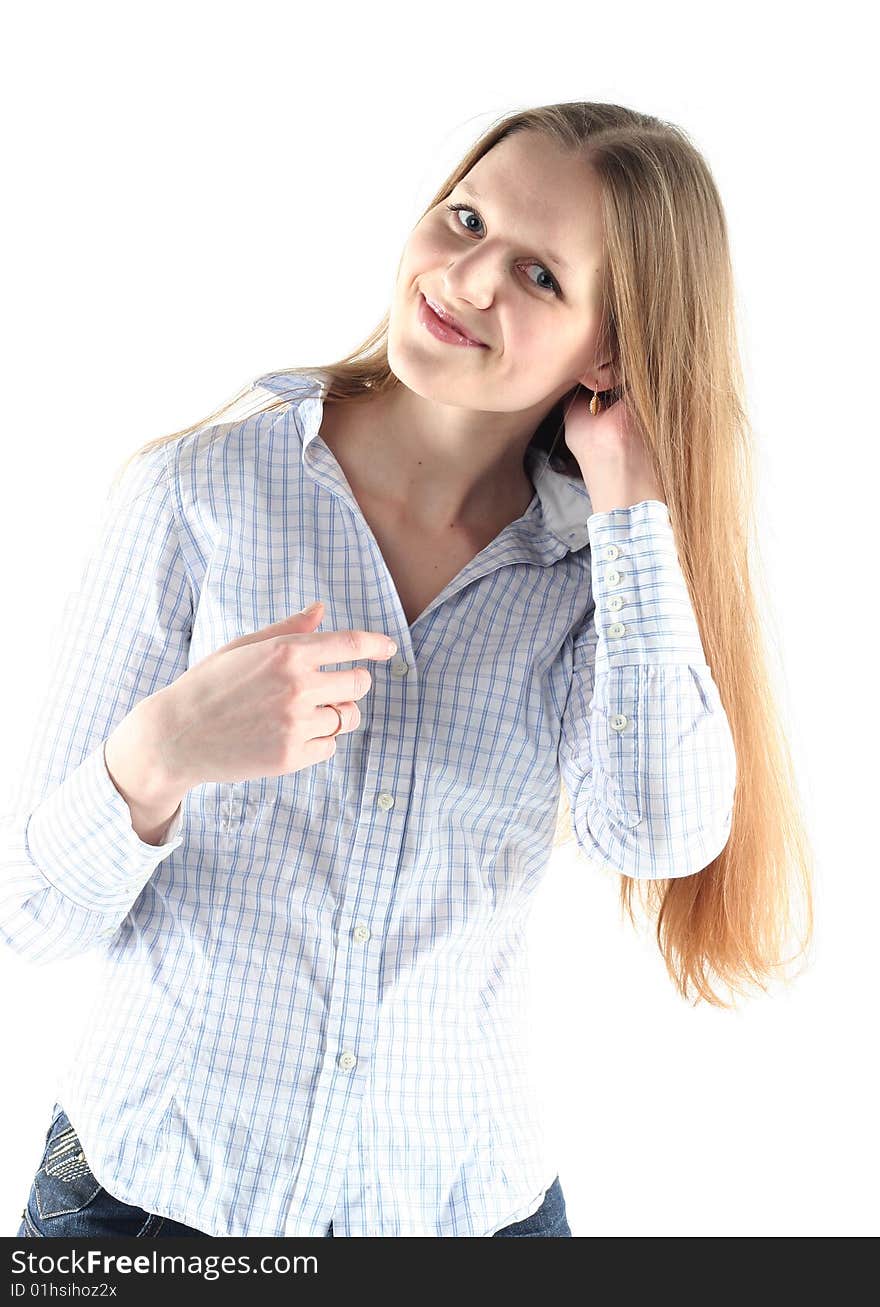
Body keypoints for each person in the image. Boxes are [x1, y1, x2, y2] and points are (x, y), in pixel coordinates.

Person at [3, 100, 813, 1239]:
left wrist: (631, 510)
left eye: (538, 275)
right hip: (147, 1204)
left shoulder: (598, 578)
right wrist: (162, 752)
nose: (468, 278)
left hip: (461, 1209)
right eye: (463, 218)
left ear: (611, 349)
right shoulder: (199, 493)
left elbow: (660, 833)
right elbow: (28, 915)